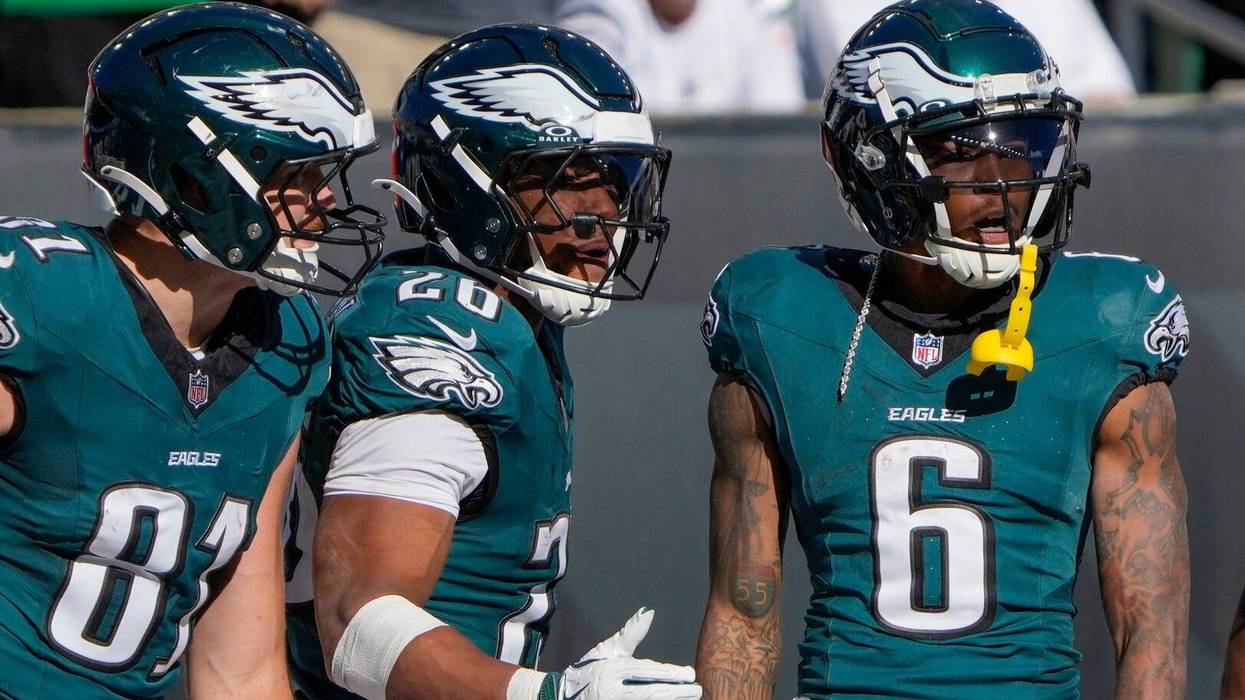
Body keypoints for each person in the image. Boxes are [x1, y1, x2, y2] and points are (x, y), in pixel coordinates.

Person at [694, 1, 1189, 697]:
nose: (1000, 183)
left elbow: (1151, 638)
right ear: (870, 158)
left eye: (1018, 143)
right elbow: (742, 615)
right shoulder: (779, 314)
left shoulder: (1103, 319)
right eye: (961, 150)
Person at [283, 24, 701, 700]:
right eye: (568, 181)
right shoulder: (439, 334)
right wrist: (544, 695)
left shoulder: (514, 316)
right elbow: (357, 623)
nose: (603, 217)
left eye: (615, 181)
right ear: (469, 184)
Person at [0, 2, 385, 698]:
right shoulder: (43, 296)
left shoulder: (284, 340)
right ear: (194, 172)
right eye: (298, 174)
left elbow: (240, 669)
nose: (325, 201)